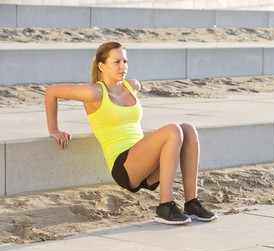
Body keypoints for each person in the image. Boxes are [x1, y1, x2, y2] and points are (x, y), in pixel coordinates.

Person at [45, 41, 217, 225]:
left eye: (125, 62)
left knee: (188, 129)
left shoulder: (132, 86)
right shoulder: (93, 92)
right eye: (116, 62)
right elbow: (51, 92)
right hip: (124, 166)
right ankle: (165, 206)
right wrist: (54, 129)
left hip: (145, 162)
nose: (123, 67)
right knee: (173, 130)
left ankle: (191, 203)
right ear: (102, 66)